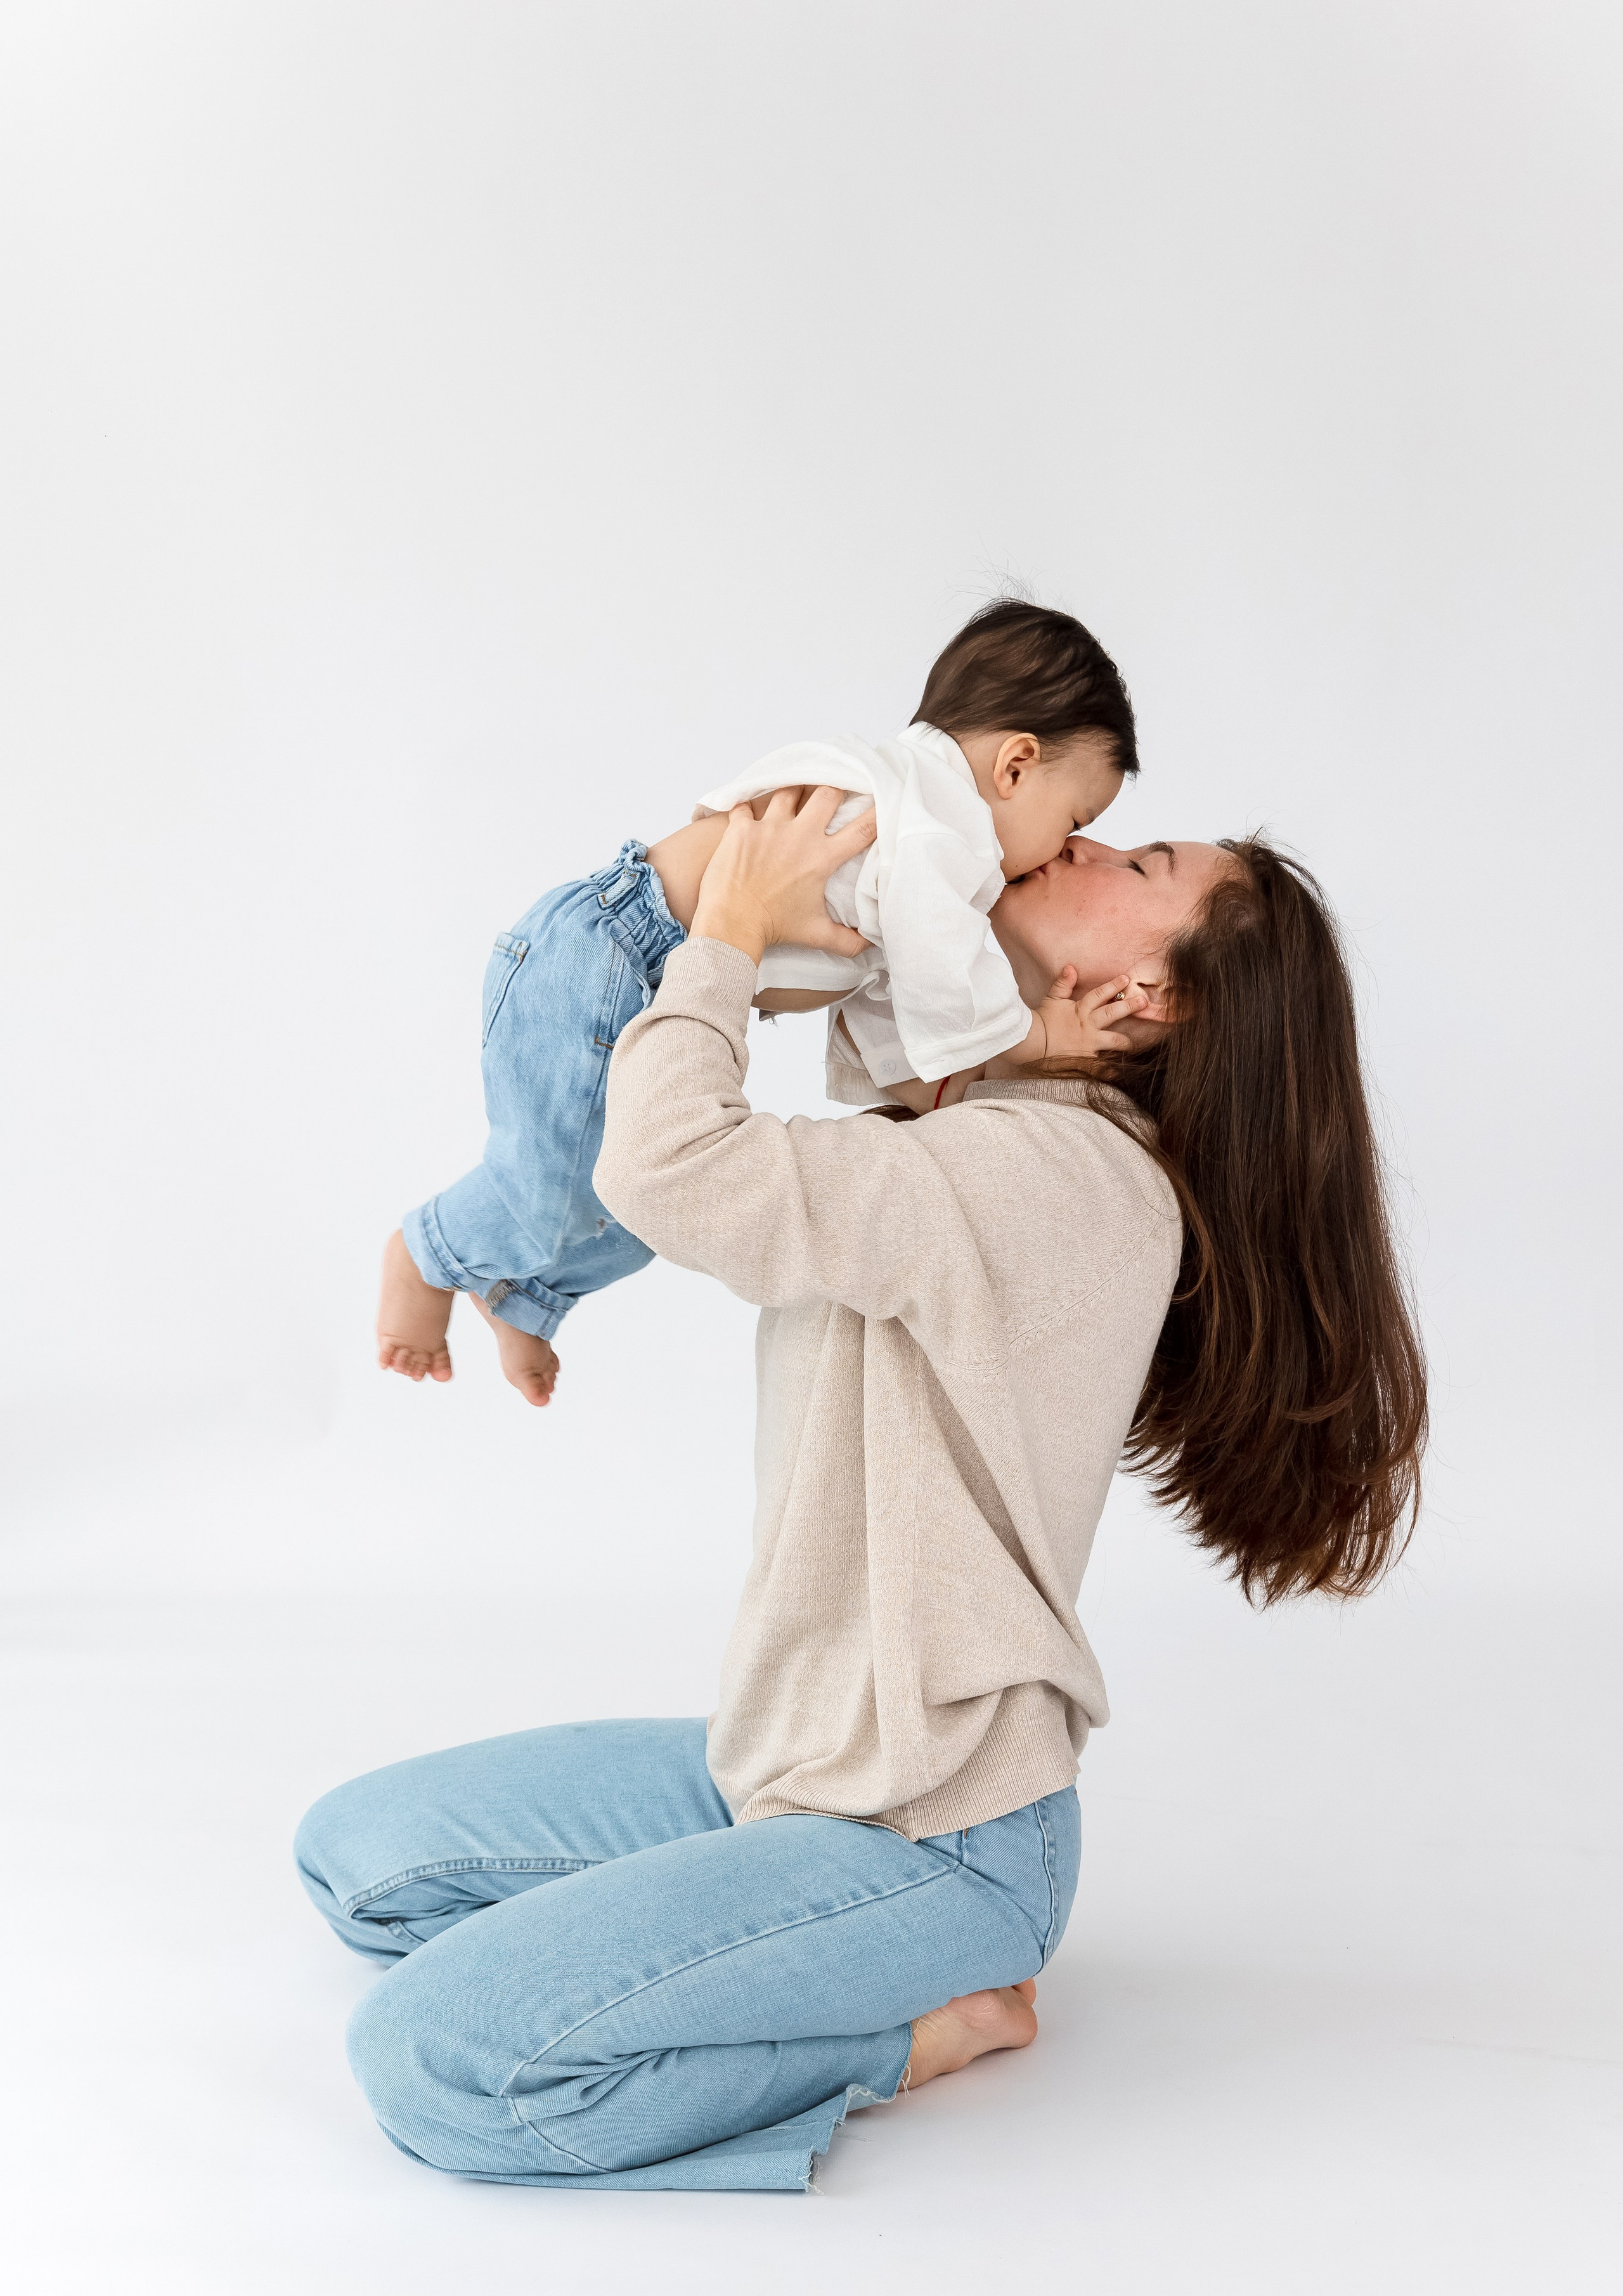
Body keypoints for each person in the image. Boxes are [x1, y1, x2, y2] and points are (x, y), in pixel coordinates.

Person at [296, 787, 1428, 2192]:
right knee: (360, 1861)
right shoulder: (988, 1110)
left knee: (438, 2065)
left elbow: (670, 1165)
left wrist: (716, 939)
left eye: (1139, 861)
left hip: (934, 1834)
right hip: (789, 1764)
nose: (1080, 839)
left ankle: (903, 2040)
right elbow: (862, 1000)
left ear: (1150, 993)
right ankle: (721, 1946)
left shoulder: (1056, 1174)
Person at [375, 599, 1148, 1410]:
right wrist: (1031, 1034)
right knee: (548, 1186)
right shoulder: (935, 829)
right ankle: (424, 1255)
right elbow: (945, 975)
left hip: (627, 971)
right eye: (1074, 821)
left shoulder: (906, 812)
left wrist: (934, 1090)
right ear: (1016, 765)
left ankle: (525, 1297)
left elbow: (894, 1003)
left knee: (639, 1212)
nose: (1067, 849)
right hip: (610, 953)